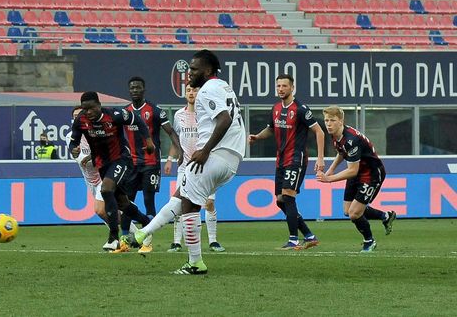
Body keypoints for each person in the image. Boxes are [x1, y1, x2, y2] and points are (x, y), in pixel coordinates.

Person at [127, 50, 246, 274]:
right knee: (183, 195)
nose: (189, 72)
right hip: (232, 158)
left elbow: (224, 119)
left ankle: (194, 262)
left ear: (208, 70)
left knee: (189, 205)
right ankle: (146, 232)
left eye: (194, 68)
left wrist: (205, 150)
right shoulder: (223, 86)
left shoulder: (208, 90)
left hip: (214, 155)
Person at [68, 91, 155, 251]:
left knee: (106, 189)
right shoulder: (81, 120)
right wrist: (74, 149)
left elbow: (137, 120)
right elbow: (73, 142)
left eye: (91, 108)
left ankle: (114, 237)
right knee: (122, 202)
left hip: (121, 159)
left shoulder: (114, 115)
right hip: (102, 164)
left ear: (99, 105)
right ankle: (146, 222)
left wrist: (148, 141)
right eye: (85, 109)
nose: (88, 113)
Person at [248, 74, 325, 250]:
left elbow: (319, 132)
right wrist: (257, 137)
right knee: (280, 200)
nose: (281, 89)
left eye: (284, 86)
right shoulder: (275, 108)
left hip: (296, 159)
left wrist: (320, 158)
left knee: (288, 197)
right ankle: (309, 235)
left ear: (292, 88)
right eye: (278, 86)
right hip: (280, 160)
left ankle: (293, 240)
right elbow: (270, 129)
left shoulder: (301, 109)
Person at [317, 106, 396, 253]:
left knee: (354, 213)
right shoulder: (336, 134)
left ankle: (369, 241)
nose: (328, 124)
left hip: (371, 174)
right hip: (359, 171)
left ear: (341, 121)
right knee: (348, 211)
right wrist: (331, 168)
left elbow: (352, 170)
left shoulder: (351, 139)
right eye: (326, 120)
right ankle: (385, 216)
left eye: (332, 120)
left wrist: (329, 179)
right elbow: (342, 152)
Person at [120, 76, 183, 253]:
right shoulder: (125, 112)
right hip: (130, 164)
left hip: (150, 163)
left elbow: (170, 132)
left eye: (138, 87)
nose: (134, 90)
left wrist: (180, 151)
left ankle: (147, 242)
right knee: (126, 202)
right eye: (132, 88)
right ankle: (124, 241)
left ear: (144, 89)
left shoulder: (155, 110)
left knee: (149, 201)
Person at [165, 84, 225, 253]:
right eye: (189, 90)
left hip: (204, 166)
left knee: (209, 203)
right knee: (179, 203)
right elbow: (176, 139)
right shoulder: (178, 115)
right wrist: (170, 159)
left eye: (195, 90)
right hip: (184, 167)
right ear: (185, 94)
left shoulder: (207, 114)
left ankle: (213, 241)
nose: (191, 93)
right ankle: (177, 242)